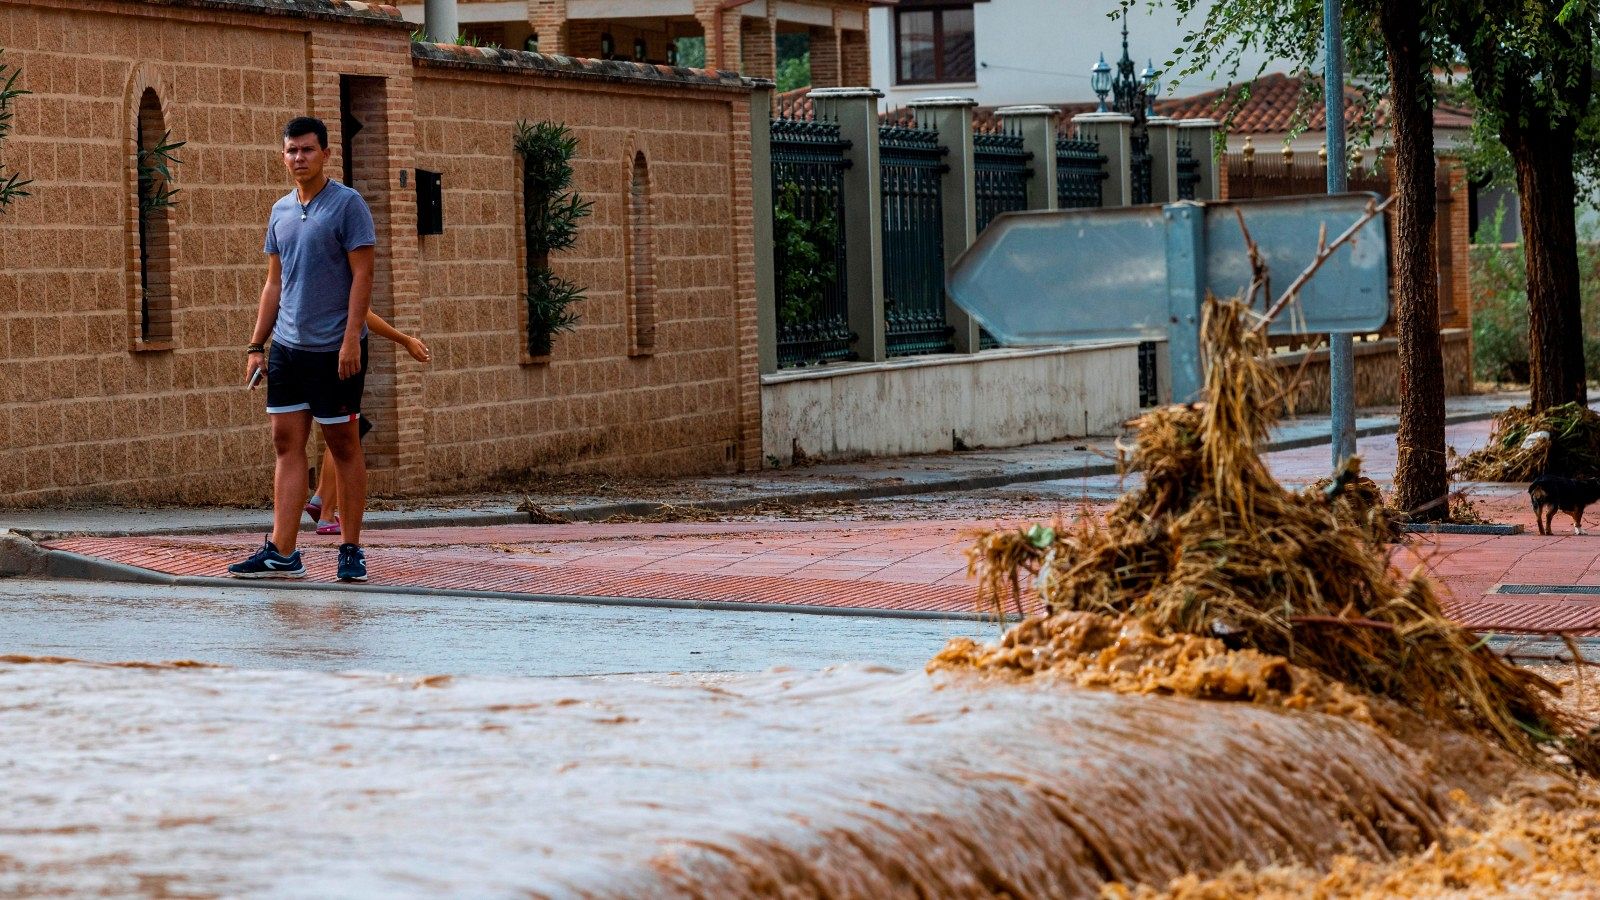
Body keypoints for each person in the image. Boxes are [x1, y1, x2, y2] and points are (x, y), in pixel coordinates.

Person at [230, 116, 375, 582]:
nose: (299, 158)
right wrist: (257, 345)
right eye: (292, 151)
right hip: (288, 349)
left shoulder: (348, 205)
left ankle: (350, 549)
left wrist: (351, 338)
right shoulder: (280, 211)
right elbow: (274, 283)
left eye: (308, 150)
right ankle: (283, 551)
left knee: (343, 446)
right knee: (286, 444)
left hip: (335, 350)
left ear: (325, 154)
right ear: (283, 156)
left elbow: (363, 275)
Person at [305, 313, 430, 535]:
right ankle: (326, 513)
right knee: (344, 436)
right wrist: (405, 340)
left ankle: (322, 497)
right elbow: (365, 315)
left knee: (346, 431)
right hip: (338, 356)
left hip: (323, 353)